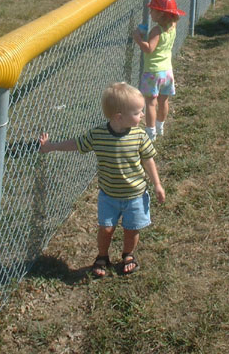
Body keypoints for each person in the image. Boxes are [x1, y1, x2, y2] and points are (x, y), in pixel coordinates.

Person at [39, 82, 165, 277]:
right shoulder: (98, 135)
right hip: (109, 196)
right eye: (138, 112)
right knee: (106, 229)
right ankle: (102, 256)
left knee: (132, 229)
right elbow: (77, 144)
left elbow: (148, 159)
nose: (142, 115)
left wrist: (157, 184)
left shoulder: (139, 135)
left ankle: (128, 254)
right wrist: (51, 146)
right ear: (119, 117)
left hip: (135, 195)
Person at [133, 0, 186, 141]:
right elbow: (174, 16)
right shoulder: (173, 25)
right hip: (167, 72)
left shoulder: (156, 31)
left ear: (161, 14)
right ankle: (160, 126)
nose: (150, 13)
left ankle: (150, 133)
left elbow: (149, 49)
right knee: (163, 101)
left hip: (153, 72)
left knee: (150, 103)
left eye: (152, 10)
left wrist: (138, 38)